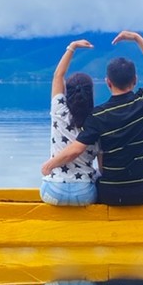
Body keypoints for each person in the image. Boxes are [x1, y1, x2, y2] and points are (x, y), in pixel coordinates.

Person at [40, 30, 143, 206]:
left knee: (99, 179)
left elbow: (76, 149)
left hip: (112, 196)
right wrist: (137, 39)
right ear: (135, 79)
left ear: (108, 82)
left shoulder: (98, 116)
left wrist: (49, 165)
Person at [39, 39, 100, 206]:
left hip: (52, 192)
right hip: (85, 195)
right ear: (91, 93)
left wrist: (72, 47)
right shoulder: (99, 120)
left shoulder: (59, 110)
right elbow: (103, 169)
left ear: (68, 92)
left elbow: (58, 75)